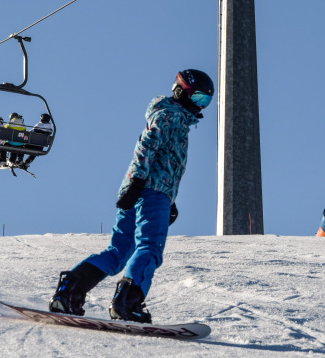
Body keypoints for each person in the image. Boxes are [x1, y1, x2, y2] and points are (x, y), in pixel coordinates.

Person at [48, 69, 215, 323]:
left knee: (118, 251)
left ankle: (69, 292)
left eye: (206, 102)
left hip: (142, 190)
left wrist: (165, 198)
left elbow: (162, 162)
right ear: (182, 91)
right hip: (149, 191)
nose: (200, 106)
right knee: (150, 247)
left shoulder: (167, 114)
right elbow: (147, 145)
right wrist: (142, 185)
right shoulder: (172, 116)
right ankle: (127, 303)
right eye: (199, 98)